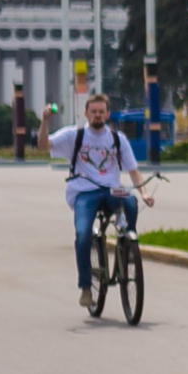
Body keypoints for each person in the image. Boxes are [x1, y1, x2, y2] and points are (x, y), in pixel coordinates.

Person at [46, 92, 153, 310]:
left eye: (101, 112)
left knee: (131, 202)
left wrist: (144, 193)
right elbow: (42, 145)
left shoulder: (117, 139)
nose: (97, 115)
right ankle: (86, 287)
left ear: (107, 114)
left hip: (112, 189)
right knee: (84, 233)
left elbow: (133, 171)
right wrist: (45, 121)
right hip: (84, 192)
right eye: (93, 112)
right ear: (86, 113)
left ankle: (127, 247)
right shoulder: (73, 136)